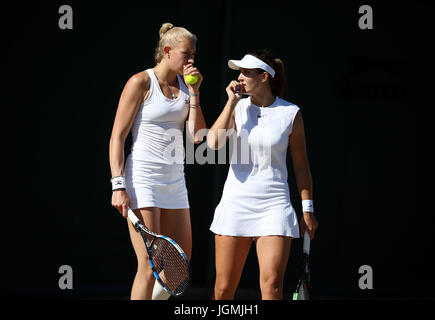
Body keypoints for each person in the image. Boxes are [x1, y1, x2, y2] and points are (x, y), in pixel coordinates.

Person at [207, 50, 318, 300]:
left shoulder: (291, 113)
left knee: (272, 287)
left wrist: (307, 210)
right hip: (235, 203)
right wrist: (231, 103)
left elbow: (301, 166)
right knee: (223, 289)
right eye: (239, 72)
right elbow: (213, 143)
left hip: (274, 206)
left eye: (247, 72)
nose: (240, 77)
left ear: (265, 77)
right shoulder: (237, 107)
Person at [109, 22, 206, 300]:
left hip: (175, 183)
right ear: (167, 51)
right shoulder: (140, 82)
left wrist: (196, 93)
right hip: (142, 180)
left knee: (178, 269)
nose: (191, 61)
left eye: (194, 55)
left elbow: (197, 135)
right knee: (148, 266)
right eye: (187, 54)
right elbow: (117, 137)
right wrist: (118, 185)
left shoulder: (188, 88)